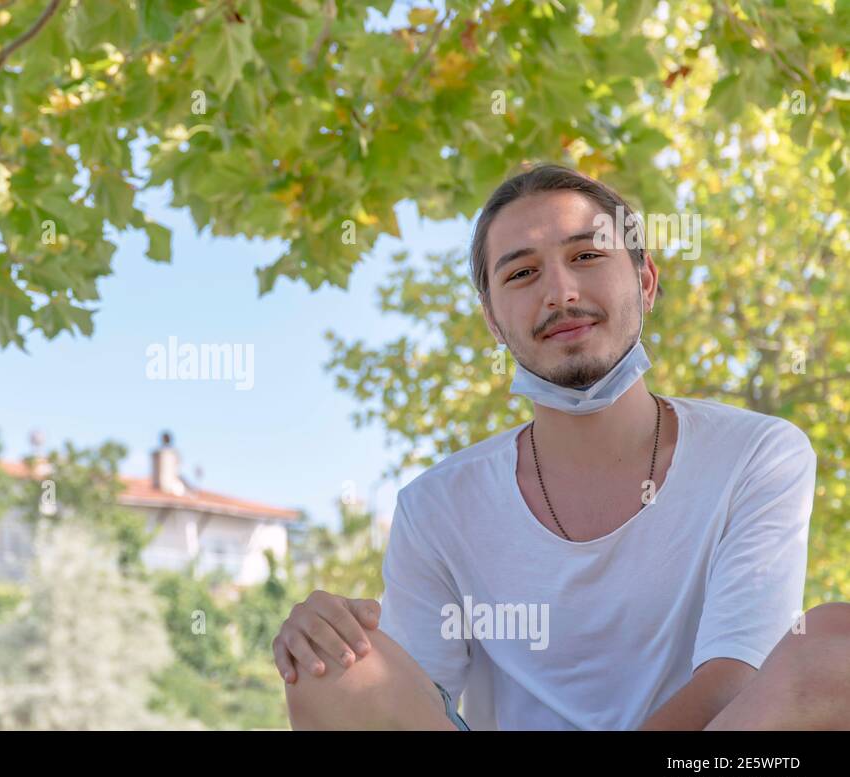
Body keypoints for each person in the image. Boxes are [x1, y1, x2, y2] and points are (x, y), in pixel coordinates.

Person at [274, 162, 850, 731]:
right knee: (334, 659)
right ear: (494, 322)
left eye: (587, 256)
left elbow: (735, 681)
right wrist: (323, 637)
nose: (561, 292)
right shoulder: (435, 506)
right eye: (521, 274)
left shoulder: (758, 454)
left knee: (835, 642)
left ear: (645, 280)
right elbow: (413, 701)